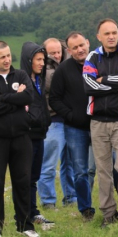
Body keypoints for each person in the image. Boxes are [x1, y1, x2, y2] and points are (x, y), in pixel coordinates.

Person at [0, 41, 39, 237]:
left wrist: (1, 99)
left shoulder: (21, 75)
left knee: (22, 182)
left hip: (21, 137)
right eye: (2, 56)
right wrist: (14, 97)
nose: (7, 60)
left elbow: (28, 98)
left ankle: (25, 226)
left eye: (8, 55)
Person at [83, 19, 118, 227]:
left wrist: (103, 80)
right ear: (99, 36)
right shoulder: (92, 57)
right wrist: (116, 83)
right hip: (97, 122)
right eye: (106, 33)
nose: (111, 36)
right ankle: (108, 213)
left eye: (114, 32)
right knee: (103, 169)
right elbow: (88, 86)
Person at [49, 32, 96, 222]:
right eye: (74, 48)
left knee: (114, 165)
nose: (79, 50)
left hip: (101, 124)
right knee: (80, 171)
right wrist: (70, 116)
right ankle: (86, 209)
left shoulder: (98, 63)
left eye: (81, 45)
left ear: (88, 43)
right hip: (75, 129)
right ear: (68, 50)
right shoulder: (63, 70)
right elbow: (54, 99)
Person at [37, 38, 76, 209]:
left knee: (71, 163)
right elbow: (58, 84)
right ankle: (48, 201)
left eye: (59, 51)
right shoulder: (43, 70)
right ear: (45, 53)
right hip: (53, 121)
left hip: (70, 120)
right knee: (49, 163)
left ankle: (71, 197)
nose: (57, 55)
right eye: (52, 53)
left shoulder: (69, 62)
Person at [19, 42, 54, 229]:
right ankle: (24, 214)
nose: (42, 63)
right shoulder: (21, 82)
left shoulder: (39, 80)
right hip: (26, 136)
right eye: (38, 59)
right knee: (25, 177)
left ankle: (33, 212)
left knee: (34, 176)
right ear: (28, 60)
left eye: (43, 59)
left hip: (40, 134)